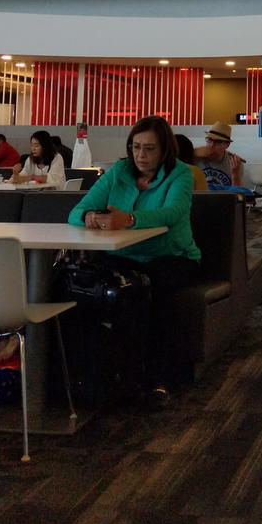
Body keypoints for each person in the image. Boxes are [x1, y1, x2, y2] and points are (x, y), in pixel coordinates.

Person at [67, 115, 200, 407]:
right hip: (123, 256)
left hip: (171, 256)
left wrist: (128, 219)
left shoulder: (180, 174)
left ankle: (155, 379)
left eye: (150, 148)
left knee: (154, 290)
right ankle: (90, 376)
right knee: (81, 288)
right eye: (136, 147)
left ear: (165, 150)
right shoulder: (119, 172)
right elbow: (76, 211)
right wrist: (90, 217)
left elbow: (173, 212)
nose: (141, 155)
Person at [193, 122, 244, 189]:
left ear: (227, 145)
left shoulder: (234, 163)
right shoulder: (195, 156)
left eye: (218, 142)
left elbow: (238, 194)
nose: (211, 145)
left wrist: (235, 174)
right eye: (209, 140)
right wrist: (191, 152)